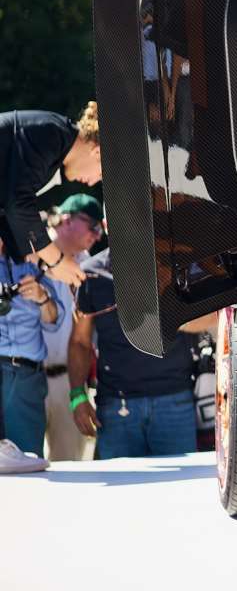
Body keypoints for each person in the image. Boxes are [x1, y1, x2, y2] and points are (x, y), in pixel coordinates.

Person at [69, 248, 202, 459]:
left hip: (175, 401)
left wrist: (167, 309)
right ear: (106, 222)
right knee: (122, 488)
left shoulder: (179, 263)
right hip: (117, 405)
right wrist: (77, 396)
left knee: (180, 488)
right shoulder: (90, 273)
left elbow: (212, 317)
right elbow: (80, 342)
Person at [0, 104, 101, 288]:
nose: (92, 182)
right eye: (101, 175)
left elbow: (7, 211)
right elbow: (17, 204)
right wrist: (57, 260)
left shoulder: (56, 145)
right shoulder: (52, 134)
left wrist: (42, 263)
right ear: (97, 153)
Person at [41, 194, 103, 461]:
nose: (98, 235)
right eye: (93, 226)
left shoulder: (94, 267)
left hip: (70, 381)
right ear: (67, 220)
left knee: (69, 465)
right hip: (26, 379)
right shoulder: (30, 253)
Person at [0, 246, 67, 473]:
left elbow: (54, 319)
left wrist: (42, 297)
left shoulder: (30, 263)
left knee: (30, 464)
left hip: (27, 377)